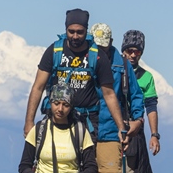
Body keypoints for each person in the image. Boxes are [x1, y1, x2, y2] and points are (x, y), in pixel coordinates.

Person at [23, 8, 128, 148]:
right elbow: (38, 87)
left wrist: (121, 127)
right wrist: (29, 122)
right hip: (57, 119)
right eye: (71, 31)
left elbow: (109, 94)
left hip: (87, 121)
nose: (75, 36)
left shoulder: (97, 55)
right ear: (66, 29)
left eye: (80, 32)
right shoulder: (54, 51)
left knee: (87, 166)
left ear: (86, 31)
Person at [89, 23, 145, 173]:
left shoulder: (121, 64)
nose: (102, 49)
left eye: (105, 46)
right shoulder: (83, 60)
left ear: (111, 43)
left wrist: (136, 121)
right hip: (85, 127)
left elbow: (136, 95)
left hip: (113, 130)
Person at [113, 30, 160, 173]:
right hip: (110, 132)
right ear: (123, 51)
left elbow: (151, 106)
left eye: (137, 51)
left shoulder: (146, 78)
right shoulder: (113, 72)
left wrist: (154, 134)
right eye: (130, 50)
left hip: (134, 135)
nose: (133, 55)